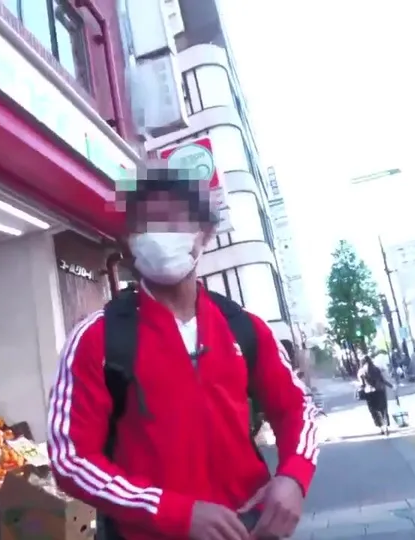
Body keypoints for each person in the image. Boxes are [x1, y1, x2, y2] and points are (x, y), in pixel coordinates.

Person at [47, 168, 319, 540]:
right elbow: (71, 459)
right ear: (129, 241)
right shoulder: (97, 337)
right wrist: (172, 511)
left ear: (203, 232)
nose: (160, 235)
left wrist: (293, 477)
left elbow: (297, 408)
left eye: (174, 219)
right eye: (145, 223)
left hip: (250, 529)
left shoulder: (245, 327)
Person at [357, 355, 393, 435]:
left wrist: (359, 389)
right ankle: (386, 426)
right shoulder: (376, 369)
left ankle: (381, 427)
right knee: (383, 409)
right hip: (380, 390)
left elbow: (362, 384)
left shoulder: (361, 371)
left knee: (374, 411)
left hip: (370, 393)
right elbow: (383, 380)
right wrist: (391, 386)